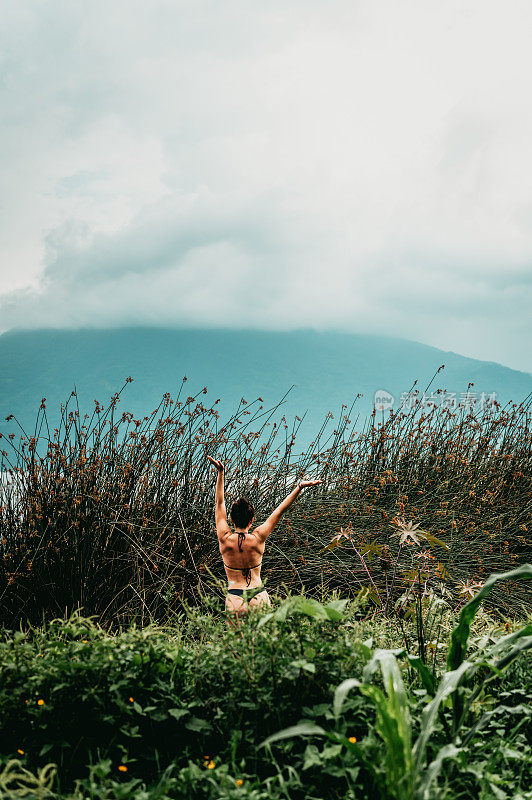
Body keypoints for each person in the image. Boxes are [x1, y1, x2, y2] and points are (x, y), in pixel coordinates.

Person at [207, 455, 322, 615]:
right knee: (264, 639)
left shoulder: (224, 538)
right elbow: (280, 510)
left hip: (235, 599)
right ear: (252, 520)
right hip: (258, 596)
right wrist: (299, 487)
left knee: (235, 640)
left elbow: (220, 504)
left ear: (231, 519)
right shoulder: (258, 537)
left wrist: (221, 473)